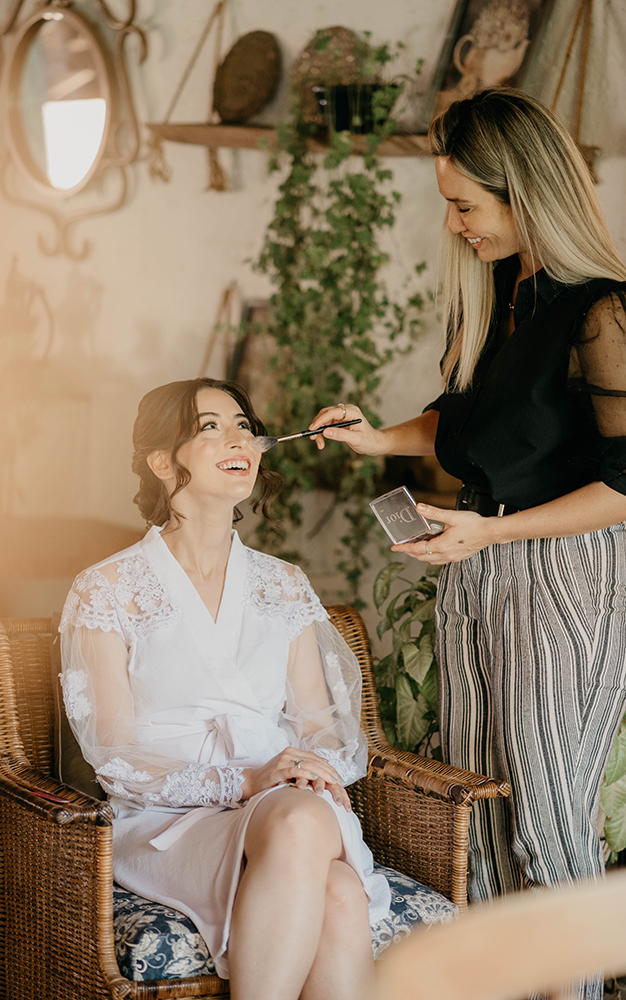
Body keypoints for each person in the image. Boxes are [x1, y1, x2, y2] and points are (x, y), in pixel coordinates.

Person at [309, 88, 626, 1000]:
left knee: (549, 824)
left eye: (466, 205)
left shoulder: (602, 313)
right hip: (478, 568)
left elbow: (622, 485)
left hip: (565, 574)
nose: (454, 226)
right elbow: (469, 426)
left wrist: (495, 531)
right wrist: (377, 438)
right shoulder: (498, 296)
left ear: (525, 194)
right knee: (477, 819)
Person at [58, 377, 391, 1000]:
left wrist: (308, 769)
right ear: (162, 461)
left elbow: (321, 725)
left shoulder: (283, 583)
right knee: (330, 876)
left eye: (244, 425)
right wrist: (243, 780)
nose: (240, 439)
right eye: (210, 427)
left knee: (322, 855)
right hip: (166, 819)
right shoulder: (107, 588)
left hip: (280, 804)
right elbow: (115, 754)